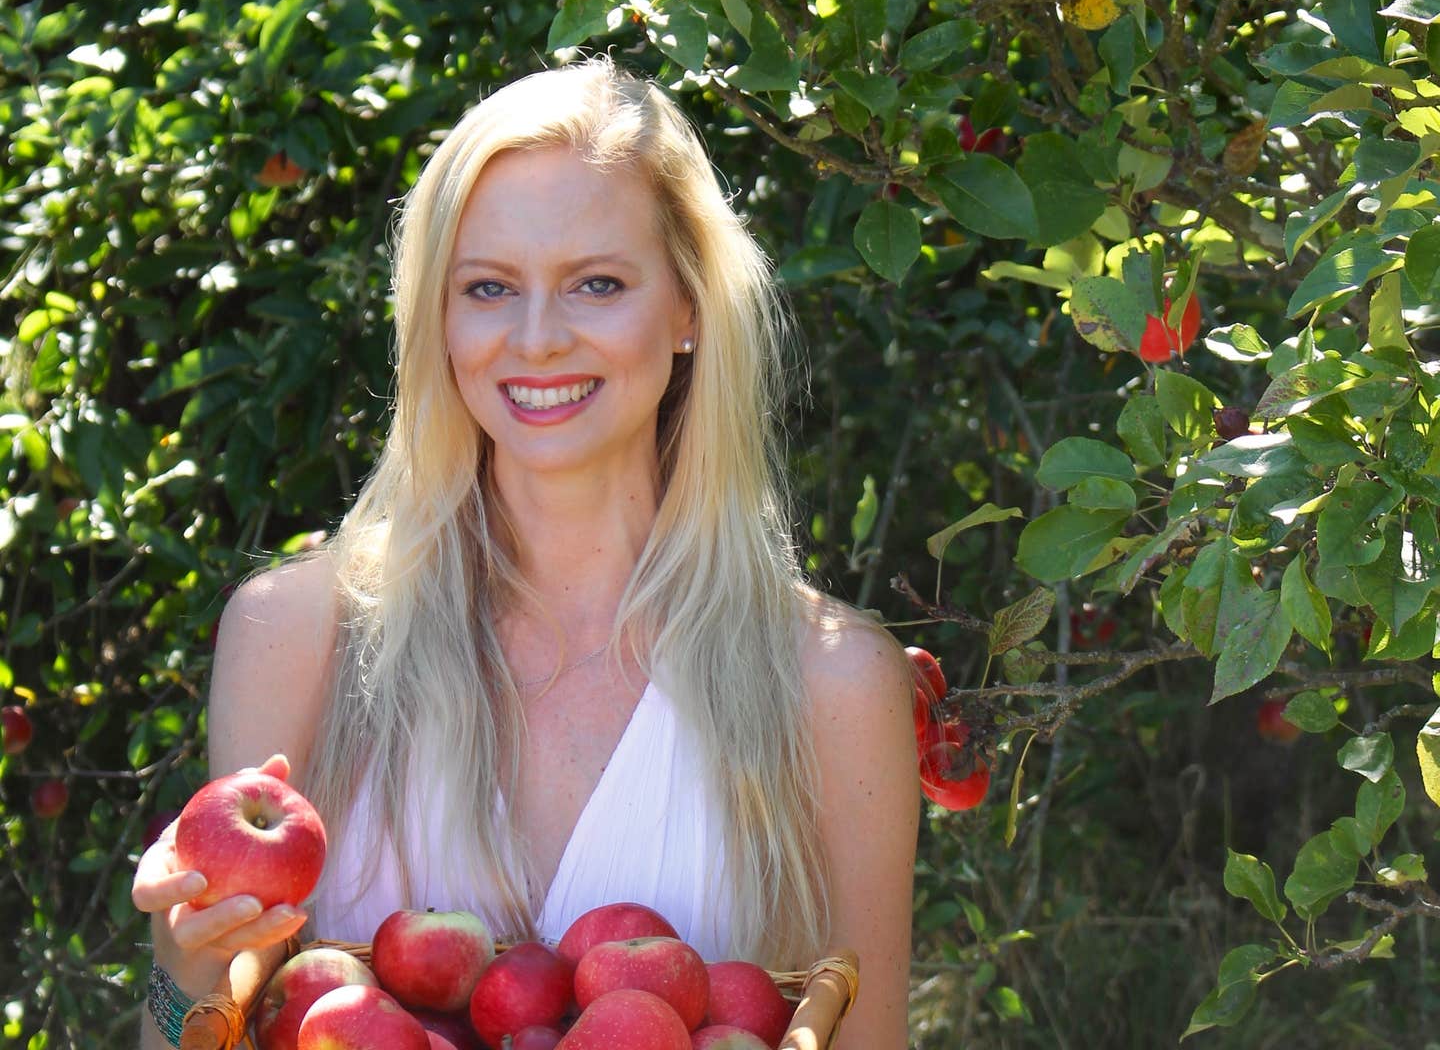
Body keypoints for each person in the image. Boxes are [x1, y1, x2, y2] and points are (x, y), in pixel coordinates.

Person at [132, 57, 917, 1048]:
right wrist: (183, 964)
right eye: (490, 288)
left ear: (685, 309)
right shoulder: (297, 635)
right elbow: (183, 1036)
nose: (538, 339)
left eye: (596, 283)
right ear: (440, 321)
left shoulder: (830, 682)